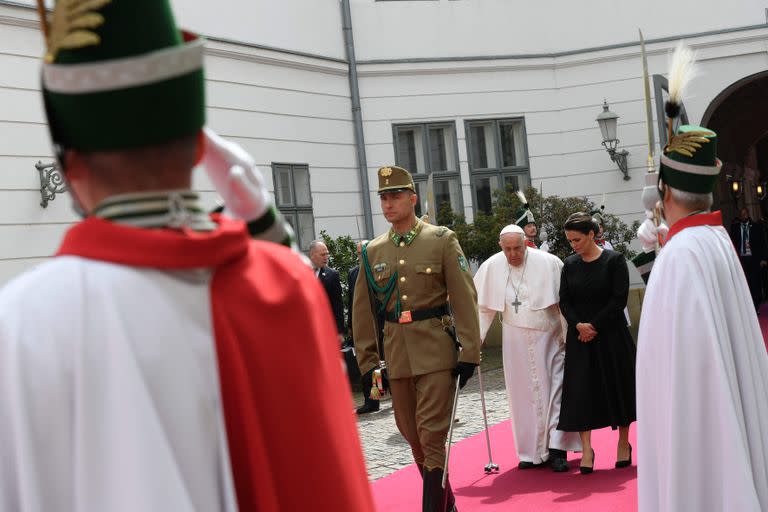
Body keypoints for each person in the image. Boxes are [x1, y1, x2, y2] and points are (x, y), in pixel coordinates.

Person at [0, 2, 375, 511]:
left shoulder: (21, 322)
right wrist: (265, 225)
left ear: (69, 166)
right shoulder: (286, 283)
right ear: (200, 146)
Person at [636, 125, 768, 511]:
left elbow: (686, 380)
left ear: (664, 192)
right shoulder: (715, 240)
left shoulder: (680, 255)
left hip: (701, 442)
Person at [352, 165, 481, 512]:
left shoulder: (440, 239)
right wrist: (367, 364)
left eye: (395, 196)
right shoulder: (372, 251)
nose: (388, 203)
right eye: (383, 198)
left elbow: (464, 296)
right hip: (397, 355)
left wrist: (470, 351)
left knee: (432, 435)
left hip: (436, 349)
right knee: (412, 437)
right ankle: (448, 504)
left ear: (412, 198)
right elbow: (363, 312)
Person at [474, 224, 581, 472]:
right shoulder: (492, 267)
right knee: (522, 397)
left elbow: (563, 304)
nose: (513, 254)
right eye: (508, 249)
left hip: (549, 338)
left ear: (525, 244)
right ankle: (532, 452)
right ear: (501, 247)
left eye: (517, 248)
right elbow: (483, 309)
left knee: (555, 392)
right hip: (515, 342)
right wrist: (474, 342)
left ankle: (557, 449)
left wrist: (569, 338)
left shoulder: (549, 263)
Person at [557, 212, 636, 474]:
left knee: (618, 386)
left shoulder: (614, 260)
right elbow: (565, 300)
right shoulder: (569, 264)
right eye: (569, 241)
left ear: (592, 234)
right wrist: (578, 324)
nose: (573, 245)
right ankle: (586, 448)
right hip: (580, 338)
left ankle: (623, 443)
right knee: (582, 392)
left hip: (611, 335)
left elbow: (619, 298)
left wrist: (594, 325)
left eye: (577, 239)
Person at [348, 240, 380, 414]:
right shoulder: (353, 273)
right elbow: (351, 300)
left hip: (378, 322)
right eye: (359, 254)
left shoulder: (378, 269)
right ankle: (369, 399)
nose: (362, 257)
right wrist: (350, 325)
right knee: (365, 362)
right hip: (362, 323)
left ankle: (376, 398)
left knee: (378, 364)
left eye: (364, 253)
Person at [730, 207, 767, 313]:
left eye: (745, 213)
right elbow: (732, 244)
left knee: (755, 284)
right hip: (742, 260)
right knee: (744, 283)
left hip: (754, 259)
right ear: (740, 216)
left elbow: (762, 243)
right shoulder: (735, 228)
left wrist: (764, 258)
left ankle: (755, 307)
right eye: (742, 214)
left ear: (748, 214)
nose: (744, 216)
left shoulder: (756, 227)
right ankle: (747, 308)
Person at [310, 239, 345, 340]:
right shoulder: (301, 272)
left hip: (326, 329)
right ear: (312, 255)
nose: (326, 258)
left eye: (327, 254)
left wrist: (339, 332)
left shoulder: (332, 275)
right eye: (322, 255)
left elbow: (338, 305)